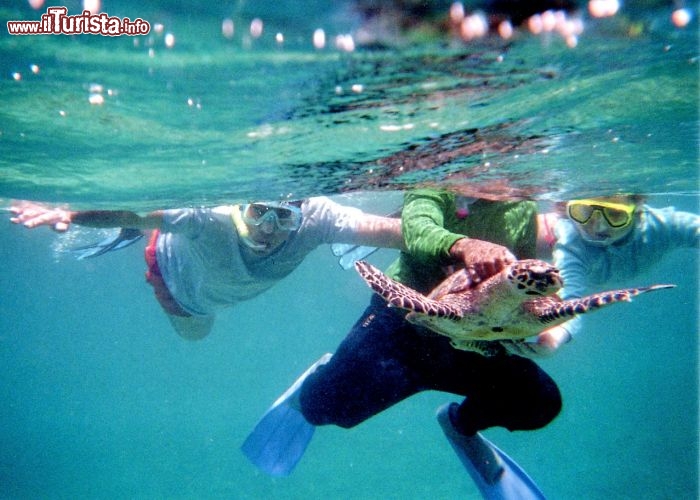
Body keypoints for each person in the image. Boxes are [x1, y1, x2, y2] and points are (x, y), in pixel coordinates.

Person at [242, 190, 560, 497]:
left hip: (469, 340)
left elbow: (523, 282)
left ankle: (460, 425)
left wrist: (543, 333)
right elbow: (417, 229)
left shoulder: (521, 204)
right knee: (324, 409)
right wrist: (465, 246)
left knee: (539, 402)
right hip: (401, 325)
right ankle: (319, 379)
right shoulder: (436, 186)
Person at [9, 197, 406, 340]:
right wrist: (70, 215)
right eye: (258, 214)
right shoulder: (206, 217)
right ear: (239, 207)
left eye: (282, 218)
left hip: (208, 281)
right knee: (197, 334)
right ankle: (140, 235)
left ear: (300, 216)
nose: (267, 230)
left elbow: (388, 231)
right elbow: (134, 210)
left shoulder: (320, 218)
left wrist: (458, 238)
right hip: (174, 282)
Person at [504, 194, 699, 358]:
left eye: (615, 215)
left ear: (638, 210)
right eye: (584, 213)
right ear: (568, 208)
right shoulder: (571, 243)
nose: (599, 227)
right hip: (533, 242)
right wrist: (554, 337)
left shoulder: (660, 227)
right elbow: (568, 300)